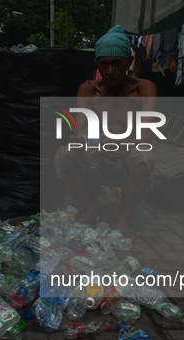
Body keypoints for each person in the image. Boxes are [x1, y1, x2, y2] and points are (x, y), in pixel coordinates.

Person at [54, 25, 157, 240]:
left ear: (129, 62)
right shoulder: (88, 88)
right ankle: (89, 209)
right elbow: (80, 128)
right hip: (94, 154)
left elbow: (147, 135)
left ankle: (124, 217)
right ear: (96, 65)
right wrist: (78, 139)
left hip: (125, 155)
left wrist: (112, 145)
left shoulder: (144, 88)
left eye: (117, 63)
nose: (110, 71)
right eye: (104, 64)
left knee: (144, 155)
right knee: (63, 153)